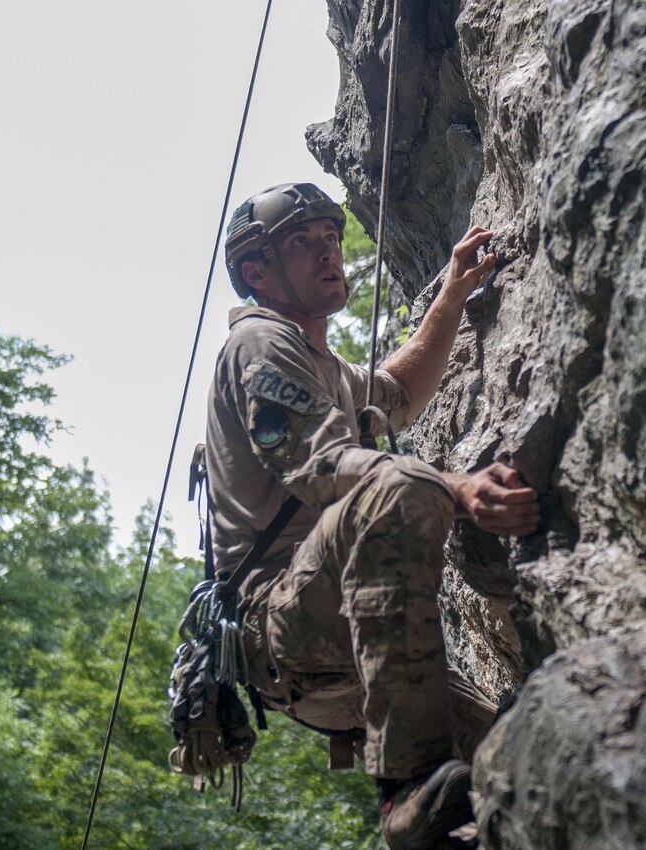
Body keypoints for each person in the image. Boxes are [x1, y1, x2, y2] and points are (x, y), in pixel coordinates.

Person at [205, 182, 539, 849]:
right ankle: (406, 792)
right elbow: (323, 465)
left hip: (332, 641)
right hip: (285, 626)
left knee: (524, 767)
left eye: (331, 237)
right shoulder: (259, 345)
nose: (329, 252)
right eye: (301, 244)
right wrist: (460, 487)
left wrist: (450, 296)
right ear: (257, 274)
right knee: (400, 487)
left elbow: (396, 394)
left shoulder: (316, 361)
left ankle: (438, 807)